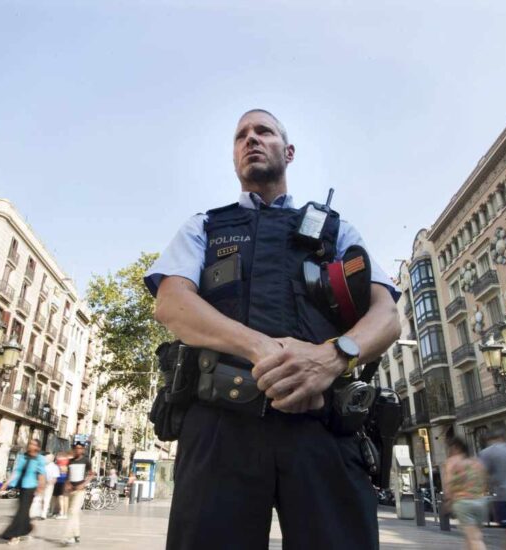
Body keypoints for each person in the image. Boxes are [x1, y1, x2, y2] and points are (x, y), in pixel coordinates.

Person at [144, 109, 401, 549]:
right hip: (220, 428)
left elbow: (387, 316)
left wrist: (331, 357)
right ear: (234, 157)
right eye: (241, 135)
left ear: (289, 150)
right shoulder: (204, 226)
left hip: (321, 427)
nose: (251, 139)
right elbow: (171, 303)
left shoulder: (337, 230)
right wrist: (260, 347)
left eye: (263, 131)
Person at [443, 437, 489, 550]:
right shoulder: (476, 462)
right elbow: (485, 481)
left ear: (455, 448)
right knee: (472, 537)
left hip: (463, 502)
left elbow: (449, 483)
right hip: (481, 502)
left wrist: (448, 500)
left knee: (474, 538)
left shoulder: (452, 462)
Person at [1, 439, 46, 544]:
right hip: (21, 487)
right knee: (23, 511)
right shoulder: (23, 457)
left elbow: (42, 474)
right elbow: (16, 472)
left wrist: (41, 488)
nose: (31, 446)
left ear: (38, 447)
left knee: (21, 512)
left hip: (31, 488)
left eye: (34, 444)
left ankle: (14, 535)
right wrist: (6, 483)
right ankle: (28, 527)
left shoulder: (39, 459)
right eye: (30, 443)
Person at [59, 442, 93, 546]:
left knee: (73, 511)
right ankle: (77, 535)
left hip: (80, 491)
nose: (78, 450)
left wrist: (84, 484)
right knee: (73, 513)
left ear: (83, 450)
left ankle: (67, 536)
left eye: (80, 448)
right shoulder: (71, 461)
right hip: (71, 491)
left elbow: (91, 474)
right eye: (76, 448)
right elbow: (68, 475)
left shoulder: (86, 461)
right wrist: (67, 484)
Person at [35, 453, 59, 520]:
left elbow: (55, 478)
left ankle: (44, 514)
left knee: (46, 499)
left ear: (52, 459)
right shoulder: (41, 466)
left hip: (49, 486)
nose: (46, 459)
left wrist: (50, 483)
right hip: (40, 484)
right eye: (45, 458)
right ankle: (37, 512)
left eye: (48, 458)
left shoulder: (54, 467)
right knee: (39, 499)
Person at [52, 453, 70, 519]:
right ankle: (55, 511)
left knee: (60, 497)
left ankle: (62, 512)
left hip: (62, 481)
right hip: (58, 480)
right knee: (57, 497)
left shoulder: (63, 463)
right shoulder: (60, 462)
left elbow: (64, 469)